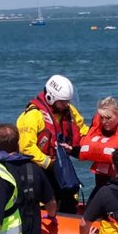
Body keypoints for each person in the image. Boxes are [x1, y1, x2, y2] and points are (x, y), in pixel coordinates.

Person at [16, 74, 88, 213]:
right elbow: (27, 147)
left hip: (60, 162)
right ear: (50, 97)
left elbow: (82, 129)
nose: (66, 104)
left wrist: (92, 143)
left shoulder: (69, 111)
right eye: (63, 102)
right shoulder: (32, 116)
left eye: (67, 101)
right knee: (48, 197)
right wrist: (49, 163)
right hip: (40, 166)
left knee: (70, 192)